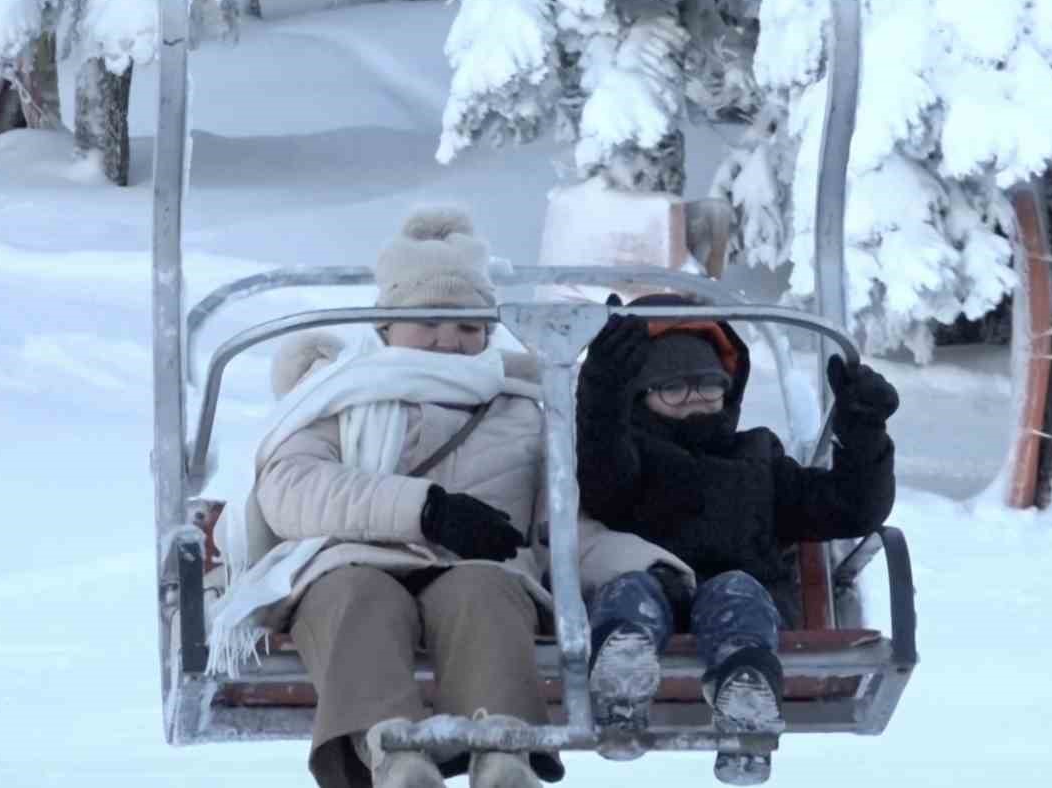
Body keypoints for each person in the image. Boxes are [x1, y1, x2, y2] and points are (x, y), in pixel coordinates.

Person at [208, 207, 686, 788]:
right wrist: (427, 509)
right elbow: (291, 488)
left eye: (469, 326)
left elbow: (560, 526)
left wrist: (645, 566)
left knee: (485, 591)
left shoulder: (519, 405)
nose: (450, 341)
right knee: (357, 595)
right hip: (350, 560)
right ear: (387, 324)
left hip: (477, 567)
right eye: (430, 319)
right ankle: (393, 751)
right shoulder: (341, 394)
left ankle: (503, 752)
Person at [573, 294, 900, 782]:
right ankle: (622, 677)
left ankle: (746, 698)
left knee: (736, 589)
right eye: (674, 389)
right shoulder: (630, 461)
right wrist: (602, 398)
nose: (696, 401)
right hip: (653, 584)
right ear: (641, 396)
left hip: (743, 598)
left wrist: (865, 432)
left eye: (708, 386)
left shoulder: (759, 459)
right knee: (630, 587)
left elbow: (850, 507)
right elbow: (602, 481)